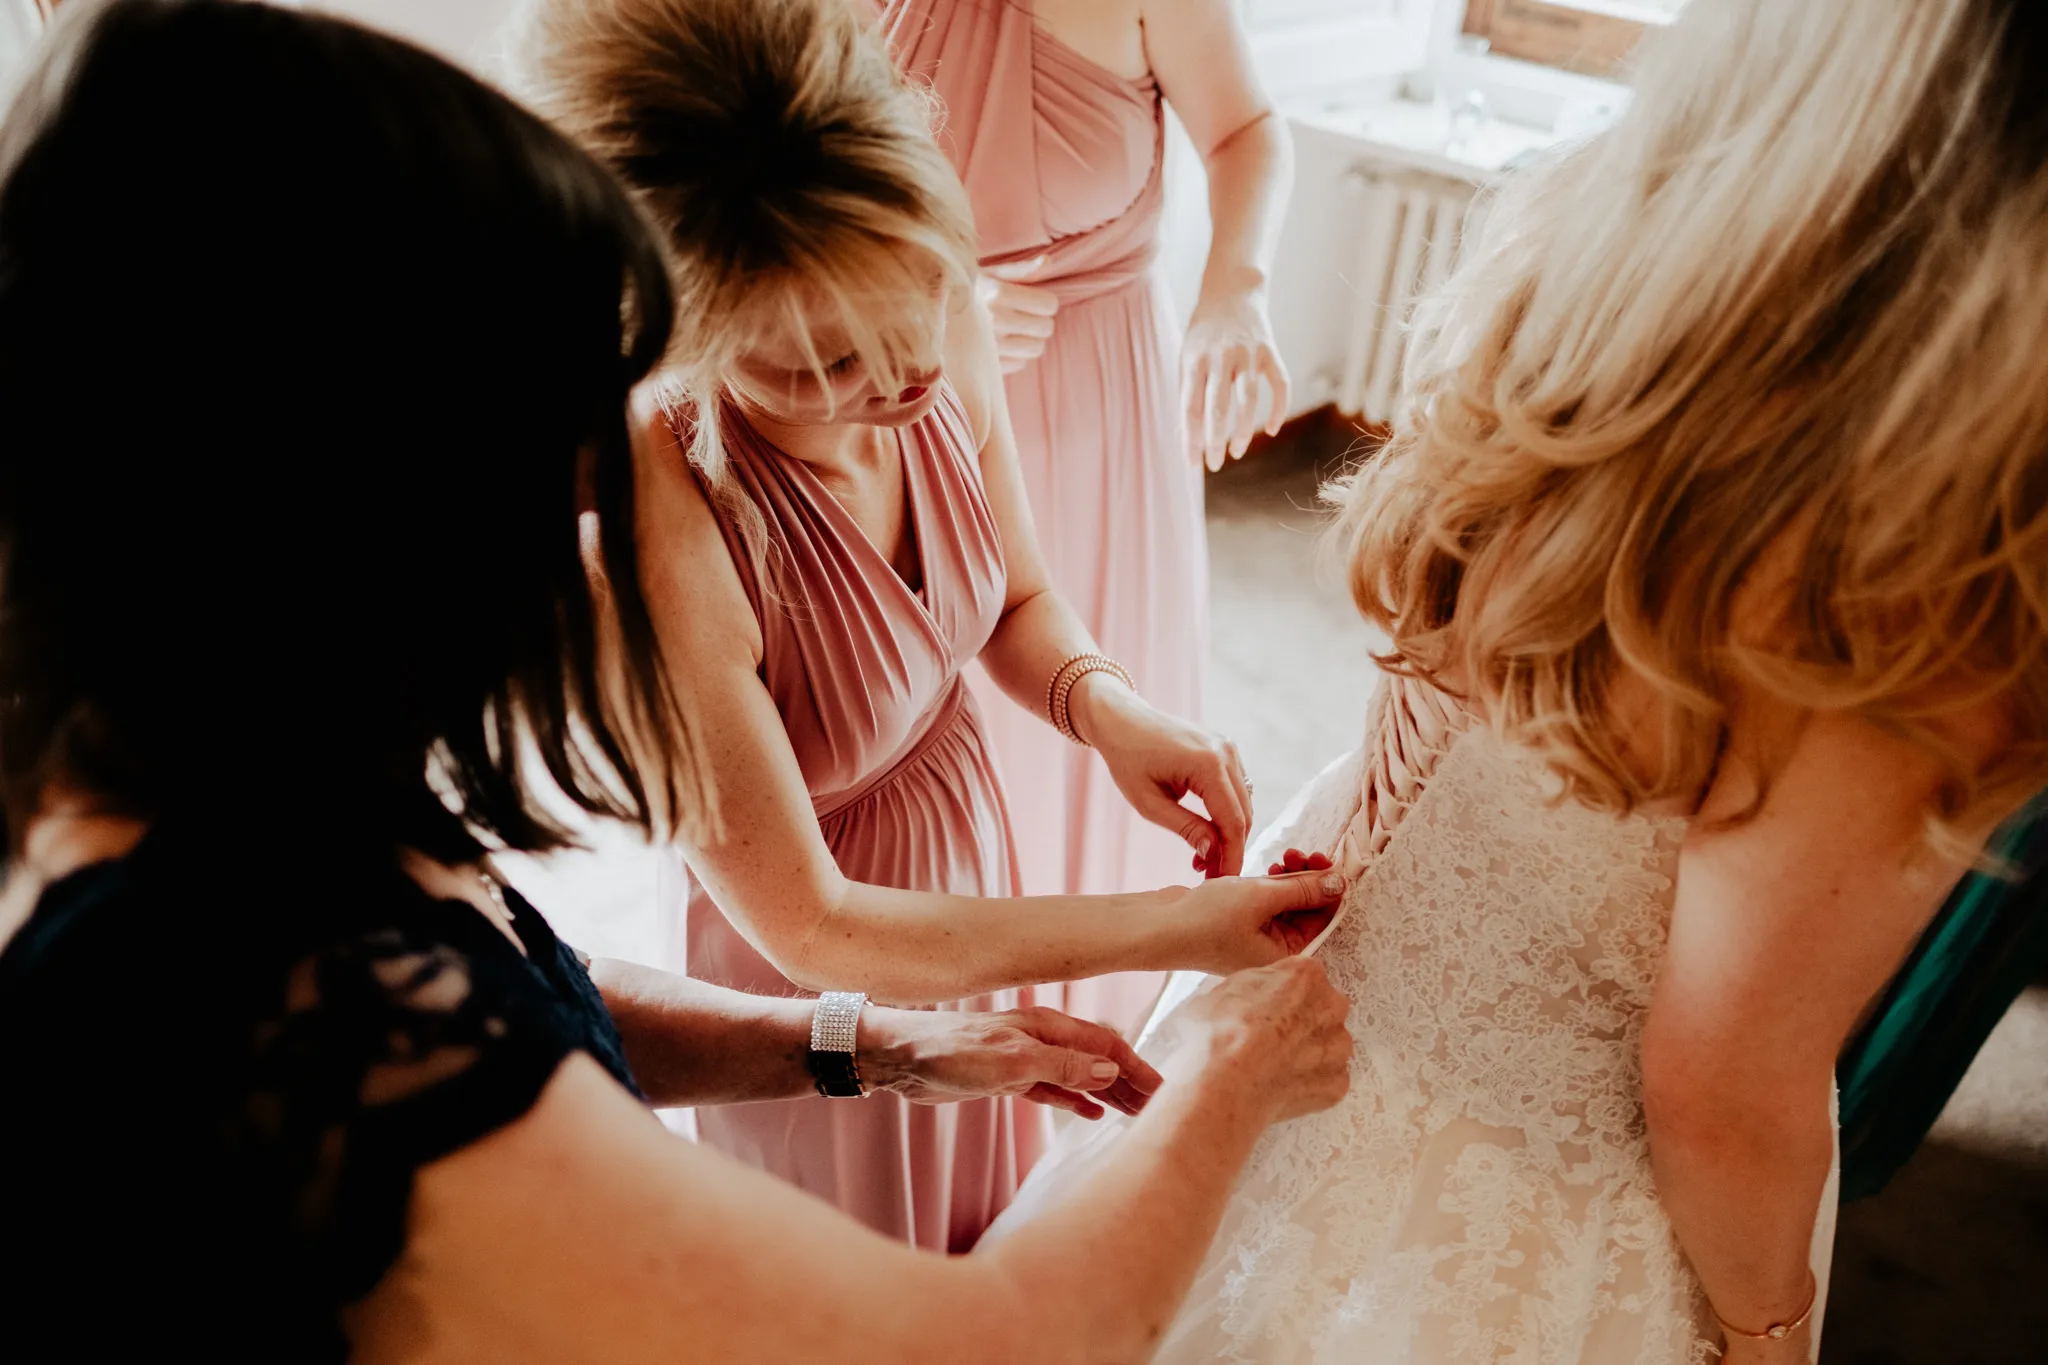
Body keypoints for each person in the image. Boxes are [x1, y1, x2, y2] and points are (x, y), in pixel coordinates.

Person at [0, 2, 1356, 1359]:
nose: (597, 480)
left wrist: (869, 1045)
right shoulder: (256, 996)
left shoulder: (238, 787)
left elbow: (530, 983)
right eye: (545, 406)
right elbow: (994, 1337)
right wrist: (1228, 1079)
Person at [991, 1, 2048, 1360]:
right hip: (1546, 1197)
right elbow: (1721, 1091)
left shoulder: (1569, 267)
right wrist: (1770, 1329)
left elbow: (1422, 703)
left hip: (1324, 997)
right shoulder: (1920, 580)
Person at [513, 0, 1327, 1251]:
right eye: (815, 368)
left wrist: (1106, 708)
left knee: (983, 1215)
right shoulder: (661, 522)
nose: (898, 382)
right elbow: (817, 924)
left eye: (915, 313)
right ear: (690, 336)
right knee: (859, 1271)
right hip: (820, 981)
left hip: (965, 868)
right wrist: (1175, 928)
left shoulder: (924, 307)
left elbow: (1011, 596)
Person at [878, 0, 1295, 1034]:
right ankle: (929, 1006)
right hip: (902, 390)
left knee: (1086, 696)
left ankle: (1088, 1006)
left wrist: (1233, 289)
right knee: (915, 713)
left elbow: (1246, 131)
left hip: (1093, 391)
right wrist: (919, 294)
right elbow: (776, 177)